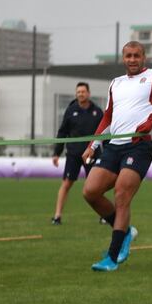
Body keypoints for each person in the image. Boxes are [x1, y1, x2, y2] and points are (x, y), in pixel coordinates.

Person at [81, 41, 152, 272]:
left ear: (144, 57)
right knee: (90, 191)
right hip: (113, 147)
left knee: (121, 195)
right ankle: (126, 232)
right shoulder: (115, 83)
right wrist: (92, 145)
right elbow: (107, 117)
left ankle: (112, 255)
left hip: (138, 147)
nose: (132, 59)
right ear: (123, 58)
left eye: (136, 55)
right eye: (128, 56)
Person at [50, 82, 103, 225]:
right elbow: (62, 132)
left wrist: (108, 153)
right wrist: (57, 153)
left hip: (92, 155)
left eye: (83, 91)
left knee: (96, 186)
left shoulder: (97, 112)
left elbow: (104, 133)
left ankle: (103, 215)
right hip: (73, 154)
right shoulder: (70, 111)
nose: (81, 94)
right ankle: (57, 216)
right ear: (76, 94)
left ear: (88, 93)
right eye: (78, 92)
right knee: (66, 184)